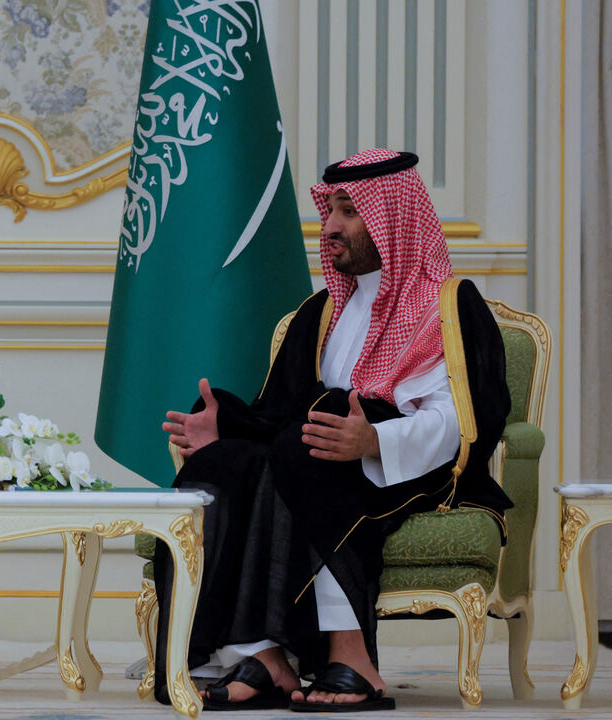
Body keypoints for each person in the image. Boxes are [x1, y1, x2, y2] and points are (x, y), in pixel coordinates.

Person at [152, 149, 511, 712]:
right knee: (221, 465)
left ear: (391, 218)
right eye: (330, 210)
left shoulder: (449, 305)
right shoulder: (321, 312)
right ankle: (259, 656)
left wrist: (374, 442)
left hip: (414, 468)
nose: (332, 226)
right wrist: (225, 426)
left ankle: (353, 658)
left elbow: (465, 418)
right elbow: (282, 411)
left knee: (307, 454)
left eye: (349, 211)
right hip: (321, 452)